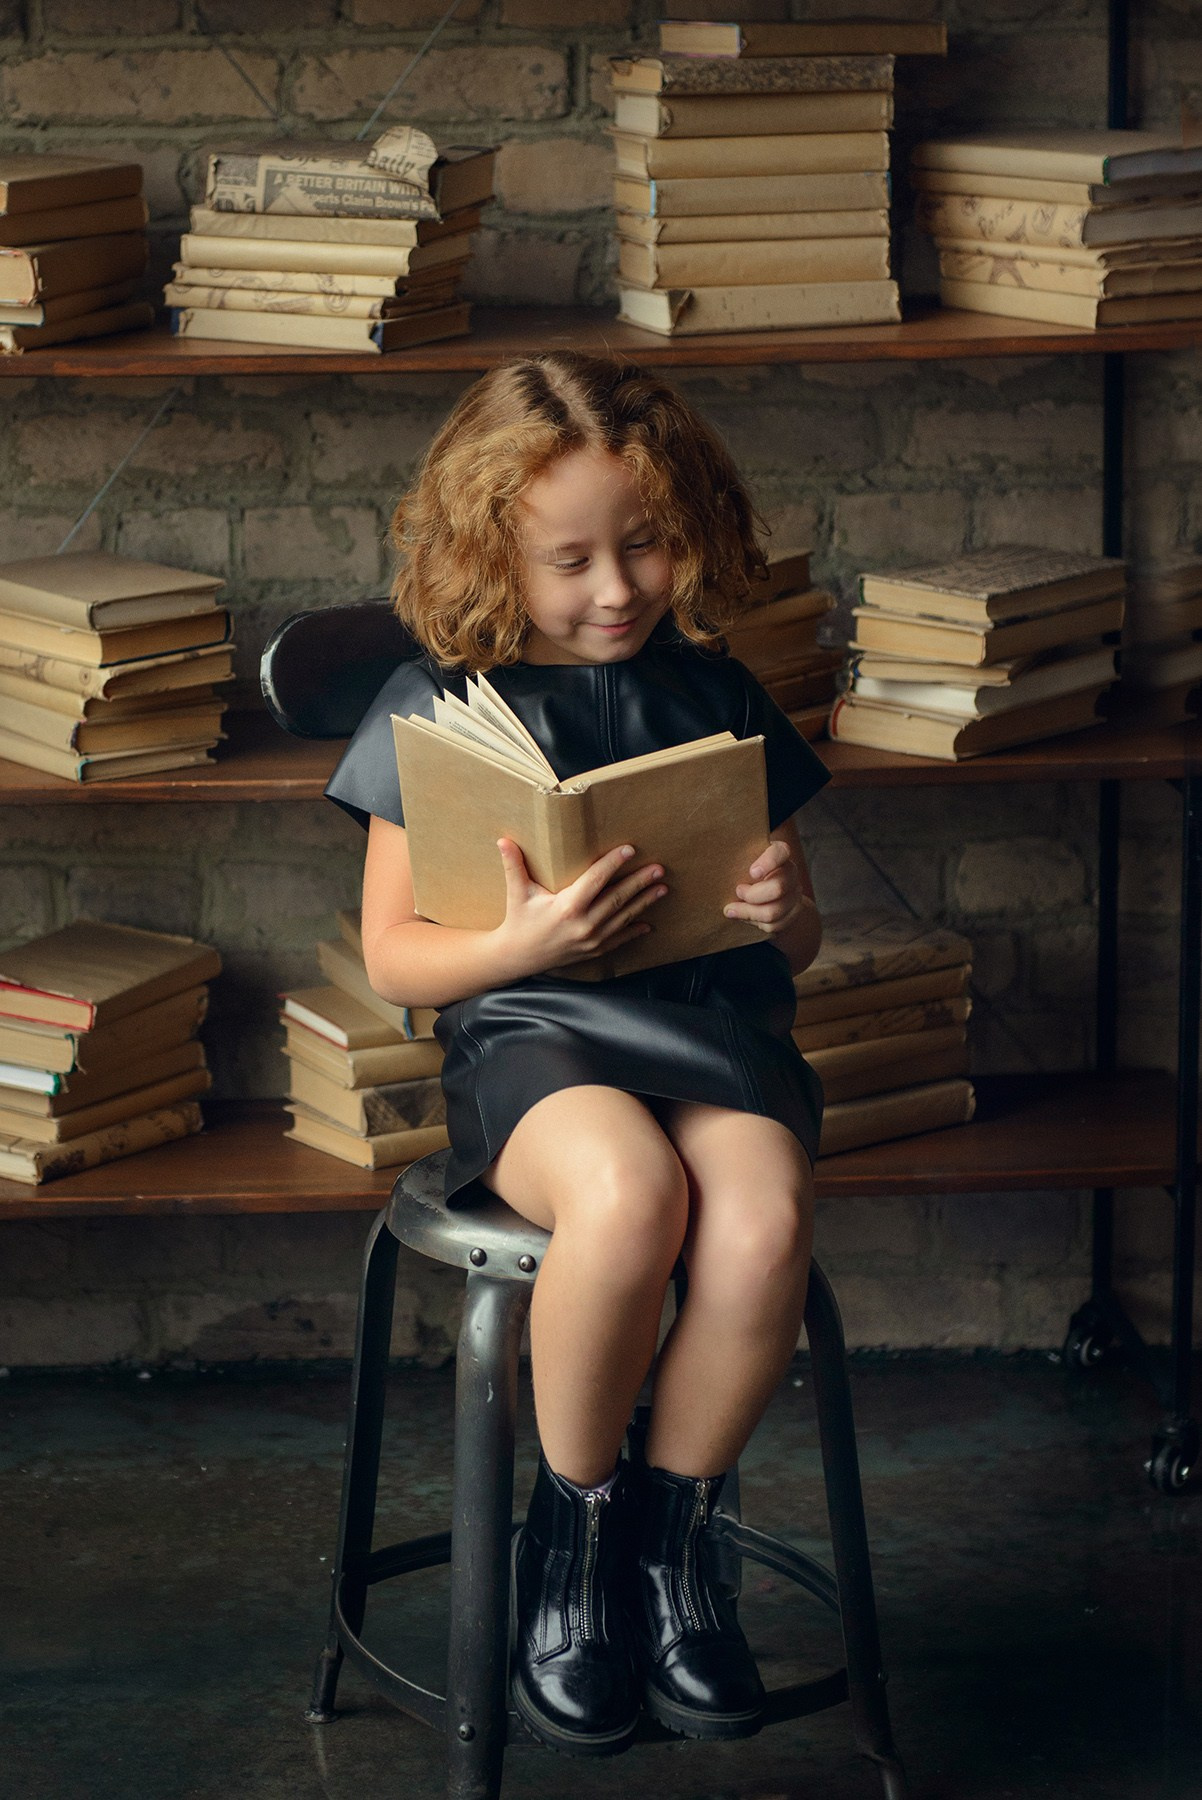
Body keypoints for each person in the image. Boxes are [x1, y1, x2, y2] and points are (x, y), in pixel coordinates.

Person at [325, 350, 829, 1759]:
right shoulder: (435, 708)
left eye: (646, 544)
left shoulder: (716, 692)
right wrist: (524, 943)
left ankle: (672, 1549)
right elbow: (394, 958)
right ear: (494, 552)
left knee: (764, 1213)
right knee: (629, 1193)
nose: (617, 589)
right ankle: (574, 1535)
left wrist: (785, 909)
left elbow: (795, 946)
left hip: (709, 1028)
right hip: (535, 1039)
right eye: (570, 560)